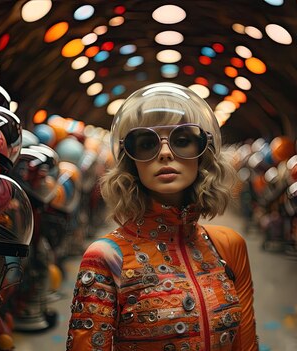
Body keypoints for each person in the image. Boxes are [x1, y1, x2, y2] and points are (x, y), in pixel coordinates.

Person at [66, 83, 258, 351]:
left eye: (182, 140)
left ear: (203, 152)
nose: (166, 153)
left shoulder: (228, 246)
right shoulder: (107, 257)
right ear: (130, 160)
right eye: (146, 143)